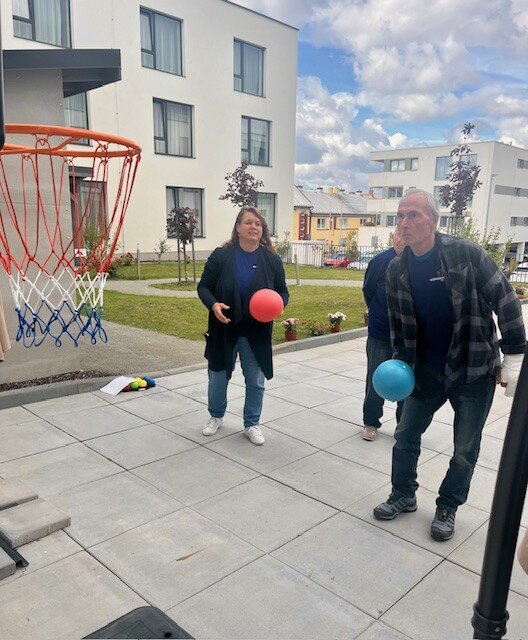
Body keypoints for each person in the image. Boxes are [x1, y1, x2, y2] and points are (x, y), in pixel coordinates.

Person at [373, 189, 526, 542]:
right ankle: (403, 494)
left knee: (465, 447)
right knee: (405, 435)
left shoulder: (466, 254)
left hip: (472, 369)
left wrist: (515, 356)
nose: (404, 223)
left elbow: (505, 298)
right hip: (423, 371)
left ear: (433, 221)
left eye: (413, 215)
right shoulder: (396, 269)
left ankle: (448, 505)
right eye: (400, 216)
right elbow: (398, 324)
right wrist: (399, 365)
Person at [197, 206, 288, 445]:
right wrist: (213, 304)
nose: (253, 227)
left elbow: (282, 292)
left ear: (263, 230)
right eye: (248, 222)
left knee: (255, 380)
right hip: (224, 327)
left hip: (256, 331)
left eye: (258, 224)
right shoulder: (221, 255)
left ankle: (252, 423)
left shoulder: (272, 259)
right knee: (217, 377)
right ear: (238, 228)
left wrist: (278, 306)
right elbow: (203, 287)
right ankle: (216, 416)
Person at [362, 231, 404, 441]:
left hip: (408, 337)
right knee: (375, 380)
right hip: (380, 334)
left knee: (407, 380)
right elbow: (368, 291)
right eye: (399, 235)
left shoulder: (418, 262)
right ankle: (371, 422)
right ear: (393, 238)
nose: (403, 239)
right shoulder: (380, 262)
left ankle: (404, 426)